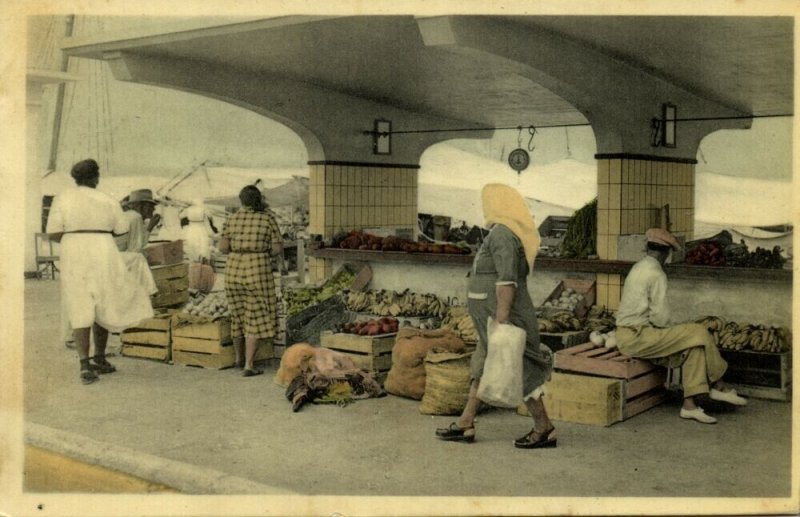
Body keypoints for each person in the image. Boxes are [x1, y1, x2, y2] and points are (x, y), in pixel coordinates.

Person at [436, 183, 556, 449]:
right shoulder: (502, 232)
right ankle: (465, 422)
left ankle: (543, 427)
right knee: (484, 364)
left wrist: (501, 320)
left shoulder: (503, 233)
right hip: (492, 318)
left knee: (520, 365)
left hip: (503, 317)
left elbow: (507, 282)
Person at [614, 227, 747, 424]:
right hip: (637, 337)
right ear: (666, 254)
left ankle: (689, 406)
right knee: (699, 331)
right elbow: (660, 318)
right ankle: (719, 385)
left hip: (631, 335)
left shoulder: (639, 266)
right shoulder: (656, 274)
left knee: (694, 347)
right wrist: (679, 328)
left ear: (647, 248)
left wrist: (677, 331)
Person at [46, 159, 154, 384]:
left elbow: (53, 233)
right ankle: (100, 357)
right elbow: (121, 230)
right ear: (96, 177)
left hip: (73, 250)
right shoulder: (108, 200)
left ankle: (85, 364)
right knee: (103, 299)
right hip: (102, 248)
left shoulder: (62, 198)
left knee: (80, 302)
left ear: (75, 178)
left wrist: (75, 236)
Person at [219, 185, 283, 377]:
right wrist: (262, 252)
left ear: (241, 200)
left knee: (238, 315)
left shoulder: (231, 218)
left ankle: (238, 359)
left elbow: (223, 248)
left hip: (233, 269)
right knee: (254, 316)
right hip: (257, 268)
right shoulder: (268, 218)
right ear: (259, 199)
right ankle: (249, 365)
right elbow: (277, 248)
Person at [116, 189, 161, 253]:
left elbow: (137, 244)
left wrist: (150, 227)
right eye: (150, 205)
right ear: (140, 206)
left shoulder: (131, 215)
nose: (153, 208)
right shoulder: (136, 217)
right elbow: (135, 250)